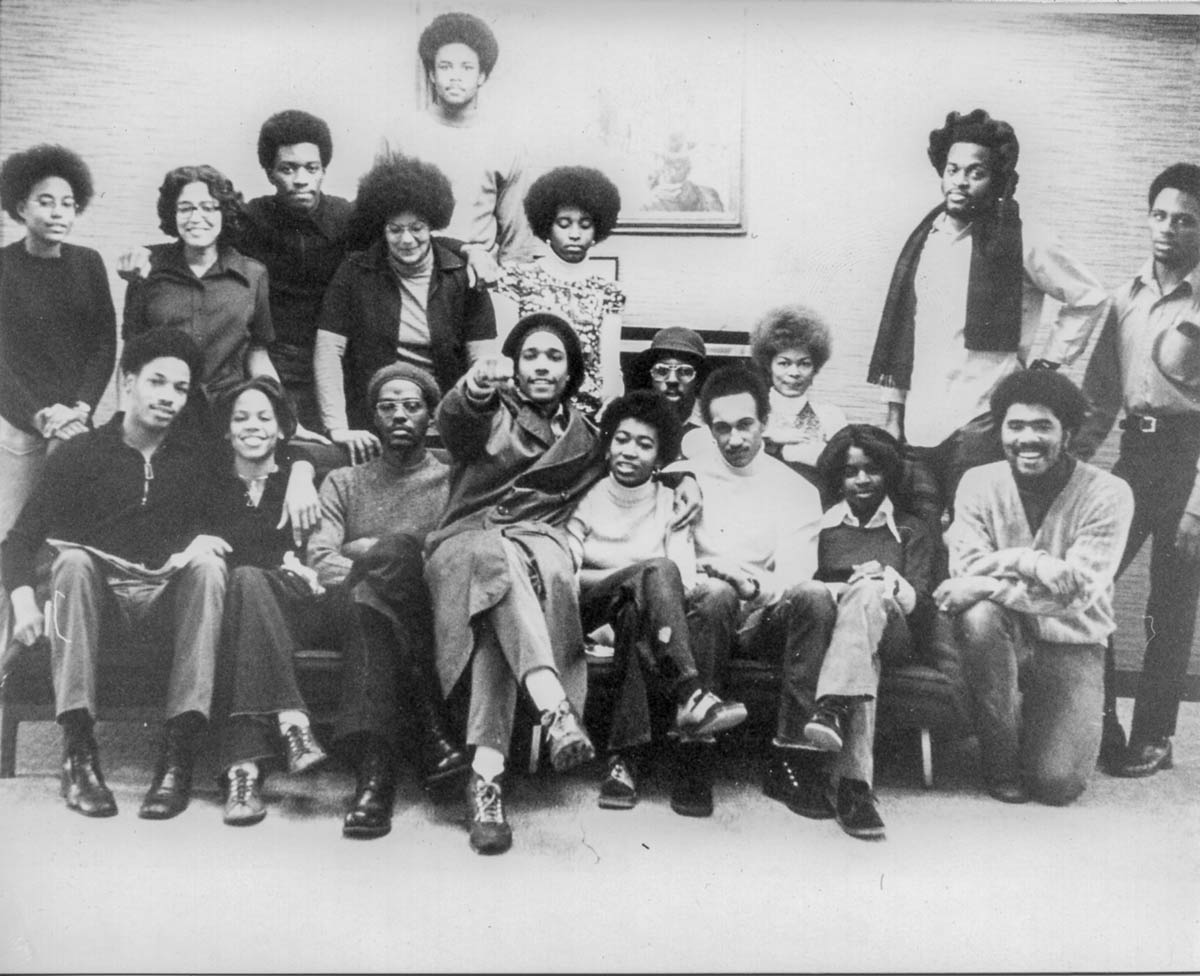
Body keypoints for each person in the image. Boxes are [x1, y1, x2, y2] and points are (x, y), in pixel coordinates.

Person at [1, 330, 226, 820]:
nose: (168, 397)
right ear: (128, 383)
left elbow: (240, 514)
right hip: (96, 599)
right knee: (74, 562)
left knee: (210, 566)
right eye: (157, 382)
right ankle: (78, 755)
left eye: (181, 389)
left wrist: (209, 539)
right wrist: (21, 600)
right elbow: (17, 543)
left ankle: (177, 755)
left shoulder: (197, 459)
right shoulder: (81, 455)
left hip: (167, 598)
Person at [866, 108, 1108, 544]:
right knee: (918, 541)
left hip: (981, 419)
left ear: (996, 178)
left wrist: (1045, 367)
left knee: (976, 539)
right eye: (952, 170)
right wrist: (892, 413)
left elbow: (1089, 297)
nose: (960, 181)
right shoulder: (926, 238)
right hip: (920, 423)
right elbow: (910, 333)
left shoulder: (1025, 237)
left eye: (975, 172)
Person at [423, 313, 604, 855]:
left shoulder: (586, 436)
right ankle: (553, 707)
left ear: (571, 371)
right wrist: (474, 388)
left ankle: (487, 777)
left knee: (499, 613)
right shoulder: (491, 413)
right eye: (531, 355)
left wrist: (681, 473)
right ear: (516, 366)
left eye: (555, 357)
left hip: (536, 547)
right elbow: (455, 421)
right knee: (495, 562)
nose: (542, 366)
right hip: (466, 541)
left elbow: (637, 459)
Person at [934, 370, 1133, 805]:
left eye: (1042, 426)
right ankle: (1000, 760)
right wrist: (1030, 561)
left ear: (1068, 433)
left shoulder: (1109, 494)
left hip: (1071, 641)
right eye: (1015, 425)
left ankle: (1043, 716)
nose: (1027, 438)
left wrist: (989, 582)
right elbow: (966, 566)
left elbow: (1077, 593)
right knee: (979, 615)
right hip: (1001, 634)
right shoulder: (978, 482)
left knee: (1058, 785)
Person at [305, 363, 469, 838]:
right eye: (388, 406)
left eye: (412, 406)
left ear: (431, 419)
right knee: (376, 582)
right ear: (374, 417)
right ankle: (431, 728)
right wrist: (393, 553)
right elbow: (321, 559)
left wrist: (369, 549)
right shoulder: (344, 481)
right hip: (343, 606)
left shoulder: (451, 481)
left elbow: (452, 557)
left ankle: (374, 779)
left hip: (427, 608)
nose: (400, 415)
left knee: (376, 591)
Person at [566, 391, 746, 814]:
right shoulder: (585, 495)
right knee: (650, 574)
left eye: (644, 444)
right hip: (588, 607)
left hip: (640, 613)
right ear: (608, 442)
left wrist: (642, 585)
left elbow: (679, 579)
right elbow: (567, 576)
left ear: (660, 455)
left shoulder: (671, 502)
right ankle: (691, 692)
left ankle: (623, 760)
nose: (630, 451)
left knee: (645, 597)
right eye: (622, 439)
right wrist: (635, 576)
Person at [1076, 162, 1200, 777]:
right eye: (1160, 215)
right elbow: (1099, 397)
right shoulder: (1125, 297)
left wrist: (1198, 504)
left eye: (1184, 220)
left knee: (1170, 605)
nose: (1168, 229)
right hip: (1136, 455)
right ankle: (1100, 723)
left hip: (1190, 460)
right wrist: (1066, 474)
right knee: (1090, 582)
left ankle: (1155, 735)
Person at [668, 366, 826, 820]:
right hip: (703, 609)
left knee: (816, 597)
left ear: (765, 422)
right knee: (715, 593)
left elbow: (798, 577)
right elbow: (676, 561)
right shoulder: (687, 480)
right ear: (707, 428)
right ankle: (695, 752)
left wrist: (750, 586)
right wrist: (719, 582)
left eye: (745, 425)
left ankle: (792, 757)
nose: (734, 439)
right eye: (721, 428)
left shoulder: (795, 489)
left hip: (763, 619)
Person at [792, 425, 936, 840]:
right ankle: (854, 787)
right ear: (836, 477)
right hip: (837, 639)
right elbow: (805, 590)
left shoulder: (911, 530)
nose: (860, 480)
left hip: (896, 635)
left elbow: (920, 604)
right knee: (861, 658)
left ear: (888, 473)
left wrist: (885, 581)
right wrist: (848, 591)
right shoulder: (820, 528)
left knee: (871, 593)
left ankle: (831, 705)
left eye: (871, 470)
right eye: (849, 471)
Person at [0, 145, 116, 658]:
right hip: (22, 427)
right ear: (20, 207)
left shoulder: (89, 264)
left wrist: (82, 409)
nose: (58, 213)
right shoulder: (2, 267)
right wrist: (38, 415)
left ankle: (59, 653)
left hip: (77, 424)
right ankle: (8, 657)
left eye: (67, 203)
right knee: (15, 537)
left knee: (70, 538)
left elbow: (104, 344)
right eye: (45, 202)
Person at [314, 152, 496, 464]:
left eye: (418, 227)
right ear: (381, 229)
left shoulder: (462, 272)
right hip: (376, 425)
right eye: (395, 229)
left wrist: (471, 421)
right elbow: (328, 351)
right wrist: (338, 427)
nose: (407, 239)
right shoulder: (355, 271)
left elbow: (483, 359)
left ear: (433, 226)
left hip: (445, 426)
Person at [121, 164, 283, 439]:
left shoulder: (253, 274)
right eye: (186, 208)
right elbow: (131, 354)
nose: (197, 217)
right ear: (173, 214)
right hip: (163, 416)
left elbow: (257, 351)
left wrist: (281, 412)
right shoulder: (147, 268)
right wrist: (123, 418)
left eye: (209, 207)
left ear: (225, 213)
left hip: (228, 417)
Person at [379, 10, 535, 285]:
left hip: (474, 279)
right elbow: (377, 216)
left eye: (466, 67)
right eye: (445, 66)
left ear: (482, 76)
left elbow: (516, 237)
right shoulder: (400, 135)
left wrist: (510, 292)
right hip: (410, 275)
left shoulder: (506, 143)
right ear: (431, 73)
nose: (455, 77)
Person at [235, 110, 355, 431]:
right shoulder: (251, 219)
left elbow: (411, 236)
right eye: (287, 169)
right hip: (271, 362)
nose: (301, 179)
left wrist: (469, 250)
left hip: (337, 363)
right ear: (269, 173)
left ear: (323, 170)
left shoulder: (347, 218)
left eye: (311, 168)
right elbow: (198, 239)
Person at [493, 166, 626, 418]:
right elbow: (505, 355)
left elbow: (610, 369)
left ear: (597, 229)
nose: (575, 234)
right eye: (564, 224)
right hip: (526, 407)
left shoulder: (608, 290)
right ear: (547, 227)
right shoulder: (516, 278)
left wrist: (609, 407)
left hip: (585, 413)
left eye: (585, 225)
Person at [749, 304, 848, 489]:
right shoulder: (752, 412)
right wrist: (770, 442)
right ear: (768, 365)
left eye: (804, 364)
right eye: (784, 363)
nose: (794, 373)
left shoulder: (830, 416)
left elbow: (846, 467)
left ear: (815, 368)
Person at [626, 326, 710, 444]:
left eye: (685, 371)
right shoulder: (633, 421)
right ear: (651, 377)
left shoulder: (714, 423)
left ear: (698, 380)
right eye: (661, 371)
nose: (672, 380)